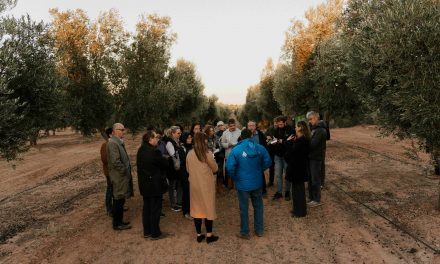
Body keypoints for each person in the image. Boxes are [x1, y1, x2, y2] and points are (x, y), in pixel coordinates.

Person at [226, 129, 272, 239]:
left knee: (243, 208)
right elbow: (268, 162)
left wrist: (235, 177)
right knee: (258, 206)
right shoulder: (260, 148)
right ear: (251, 136)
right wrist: (259, 170)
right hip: (256, 182)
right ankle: (259, 230)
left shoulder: (236, 150)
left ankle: (245, 232)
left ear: (241, 137)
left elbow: (229, 167)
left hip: (242, 184)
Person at [137, 130, 171, 240]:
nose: (158, 139)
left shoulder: (141, 150)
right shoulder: (154, 151)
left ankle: (147, 231)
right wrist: (165, 160)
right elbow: (165, 164)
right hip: (155, 185)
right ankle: (155, 233)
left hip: (145, 185)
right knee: (155, 209)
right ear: (150, 139)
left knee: (146, 208)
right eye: (156, 137)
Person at [186, 133, 219, 243]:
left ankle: (199, 235)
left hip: (194, 185)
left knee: (197, 209)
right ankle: (209, 236)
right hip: (206, 185)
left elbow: (187, 169)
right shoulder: (207, 153)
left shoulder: (189, 154)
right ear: (204, 140)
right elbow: (214, 168)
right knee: (208, 208)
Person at [107, 123, 133, 230]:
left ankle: (119, 221)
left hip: (121, 177)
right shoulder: (113, 143)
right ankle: (117, 224)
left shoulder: (118, 142)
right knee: (118, 200)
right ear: (114, 131)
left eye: (123, 129)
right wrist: (124, 171)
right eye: (120, 129)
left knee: (121, 200)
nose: (123, 131)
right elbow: (115, 162)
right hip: (119, 177)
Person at [285, 121, 310, 217]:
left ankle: (300, 212)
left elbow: (292, 153)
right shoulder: (299, 139)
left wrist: (288, 142)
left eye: (296, 127)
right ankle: (297, 210)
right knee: (296, 191)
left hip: (298, 170)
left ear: (300, 128)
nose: (295, 128)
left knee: (299, 192)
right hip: (297, 169)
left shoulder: (302, 141)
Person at [269, 116, 294, 201]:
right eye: (278, 124)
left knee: (287, 174)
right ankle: (279, 192)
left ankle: (287, 192)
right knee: (278, 175)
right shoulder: (276, 130)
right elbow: (274, 141)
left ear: (285, 122)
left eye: (281, 124)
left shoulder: (290, 130)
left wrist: (282, 141)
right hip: (277, 155)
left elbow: (290, 143)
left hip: (287, 156)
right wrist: (271, 142)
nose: (279, 125)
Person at [307, 111, 327, 207]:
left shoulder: (320, 130)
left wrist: (305, 142)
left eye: (310, 119)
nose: (309, 121)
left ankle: (316, 199)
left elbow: (312, 145)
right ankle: (312, 198)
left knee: (315, 180)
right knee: (311, 179)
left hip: (316, 158)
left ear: (315, 118)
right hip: (311, 158)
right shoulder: (314, 129)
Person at [247, 121, 269, 198]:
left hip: (259, 158)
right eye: (249, 126)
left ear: (255, 126)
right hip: (249, 159)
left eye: (252, 125)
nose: (251, 127)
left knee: (261, 174)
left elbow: (265, 145)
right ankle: (252, 191)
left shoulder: (260, 134)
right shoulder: (245, 135)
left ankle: (264, 191)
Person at [165, 126, 184, 212]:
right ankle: (173, 204)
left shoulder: (178, 142)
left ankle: (179, 201)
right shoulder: (169, 143)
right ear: (172, 133)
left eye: (180, 133)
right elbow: (174, 155)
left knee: (179, 185)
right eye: (178, 133)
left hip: (179, 168)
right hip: (172, 168)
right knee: (172, 186)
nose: (180, 135)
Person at [221, 119, 241, 188]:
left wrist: (237, 145)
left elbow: (242, 142)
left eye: (234, 125)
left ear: (235, 125)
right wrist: (227, 145)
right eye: (231, 126)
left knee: (237, 168)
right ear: (228, 126)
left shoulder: (239, 132)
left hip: (238, 154)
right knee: (228, 169)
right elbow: (222, 143)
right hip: (228, 154)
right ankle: (228, 184)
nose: (232, 127)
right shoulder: (225, 133)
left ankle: (237, 184)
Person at [100, 127, 113, 216]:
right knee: (110, 190)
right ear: (110, 134)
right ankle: (109, 209)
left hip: (113, 172)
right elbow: (105, 159)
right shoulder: (105, 145)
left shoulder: (112, 143)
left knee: (115, 190)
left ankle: (116, 206)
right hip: (109, 172)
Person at [180, 132, 193, 219]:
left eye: (190, 138)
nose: (190, 139)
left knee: (191, 192)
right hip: (184, 173)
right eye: (188, 138)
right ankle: (186, 211)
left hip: (192, 172)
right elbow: (183, 161)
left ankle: (192, 210)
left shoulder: (192, 147)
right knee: (186, 192)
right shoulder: (182, 148)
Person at [214, 121, 226, 188]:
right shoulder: (216, 134)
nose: (220, 127)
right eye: (219, 126)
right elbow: (217, 144)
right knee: (220, 168)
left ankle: (226, 182)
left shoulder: (226, 132)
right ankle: (220, 183)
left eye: (221, 125)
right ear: (217, 127)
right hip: (219, 154)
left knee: (226, 167)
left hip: (226, 151)